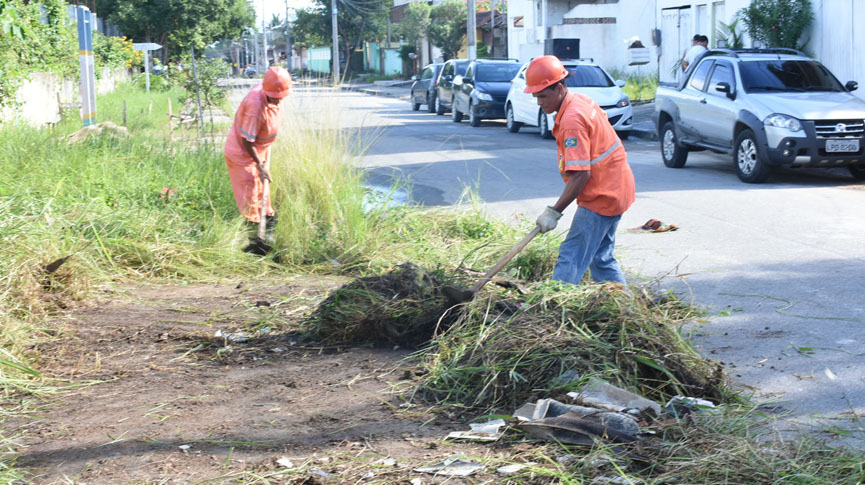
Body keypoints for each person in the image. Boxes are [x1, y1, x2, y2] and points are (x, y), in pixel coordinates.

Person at [525, 55, 635, 286]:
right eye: (536, 96)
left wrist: (554, 212)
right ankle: (623, 308)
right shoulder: (582, 101)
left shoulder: (572, 120)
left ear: (560, 87)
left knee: (571, 255)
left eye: (543, 96)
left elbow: (581, 174)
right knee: (601, 258)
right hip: (618, 188)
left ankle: (554, 306)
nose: (539, 102)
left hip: (602, 196)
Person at [224, 66, 293, 255]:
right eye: (274, 97)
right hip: (243, 154)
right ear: (266, 90)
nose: (278, 101)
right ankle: (255, 245)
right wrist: (260, 165)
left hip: (260, 150)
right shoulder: (255, 105)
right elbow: (248, 140)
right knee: (250, 196)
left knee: (263, 192)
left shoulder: (273, 92)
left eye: (281, 96)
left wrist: (264, 159)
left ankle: (269, 234)